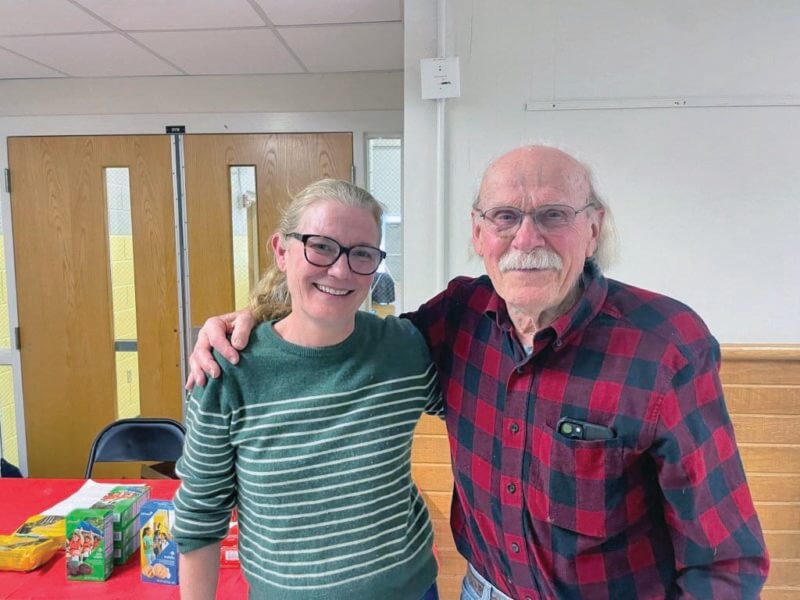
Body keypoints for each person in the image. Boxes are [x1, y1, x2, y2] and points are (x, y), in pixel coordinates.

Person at [187, 146, 769, 599]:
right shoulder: (455, 320)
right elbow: (328, 320)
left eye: (554, 215)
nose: (526, 237)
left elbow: (724, 556)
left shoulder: (664, 344)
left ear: (593, 228)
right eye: (505, 216)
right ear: (478, 233)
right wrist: (251, 320)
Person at [173, 179, 441, 600]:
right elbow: (199, 518)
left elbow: (479, 400)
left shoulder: (403, 350)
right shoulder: (228, 370)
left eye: (362, 254)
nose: (340, 269)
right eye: (321, 246)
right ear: (281, 251)